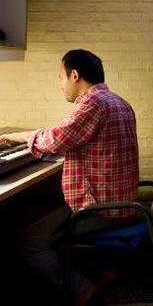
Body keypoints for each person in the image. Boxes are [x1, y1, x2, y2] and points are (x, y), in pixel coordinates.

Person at [0, 49, 139, 305]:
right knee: (40, 210)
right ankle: (103, 270)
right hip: (120, 202)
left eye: (60, 77)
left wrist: (16, 137)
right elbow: (64, 134)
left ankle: (81, 289)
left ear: (74, 75)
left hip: (101, 210)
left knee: (28, 240)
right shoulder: (119, 102)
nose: (60, 84)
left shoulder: (93, 104)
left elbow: (54, 140)